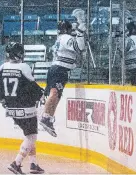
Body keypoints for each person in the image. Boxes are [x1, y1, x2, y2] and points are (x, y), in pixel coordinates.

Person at [0, 42, 45, 174]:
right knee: (32, 136)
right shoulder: (24, 67)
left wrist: (2, 100)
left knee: (29, 134)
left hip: (11, 108)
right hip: (26, 107)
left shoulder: (1, 67)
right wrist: (42, 95)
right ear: (19, 54)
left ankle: (33, 164)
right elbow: (33, 87)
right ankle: (16, 163)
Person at [39, 9, 86, 137]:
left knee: (56, 95)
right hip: (59, 69)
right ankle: (45, 117)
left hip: (56, 69)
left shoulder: (60, 38)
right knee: (55, 93)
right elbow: (79, 48)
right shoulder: (66, 38)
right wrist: (81, 31)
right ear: (67, 29)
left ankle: (48, 118)